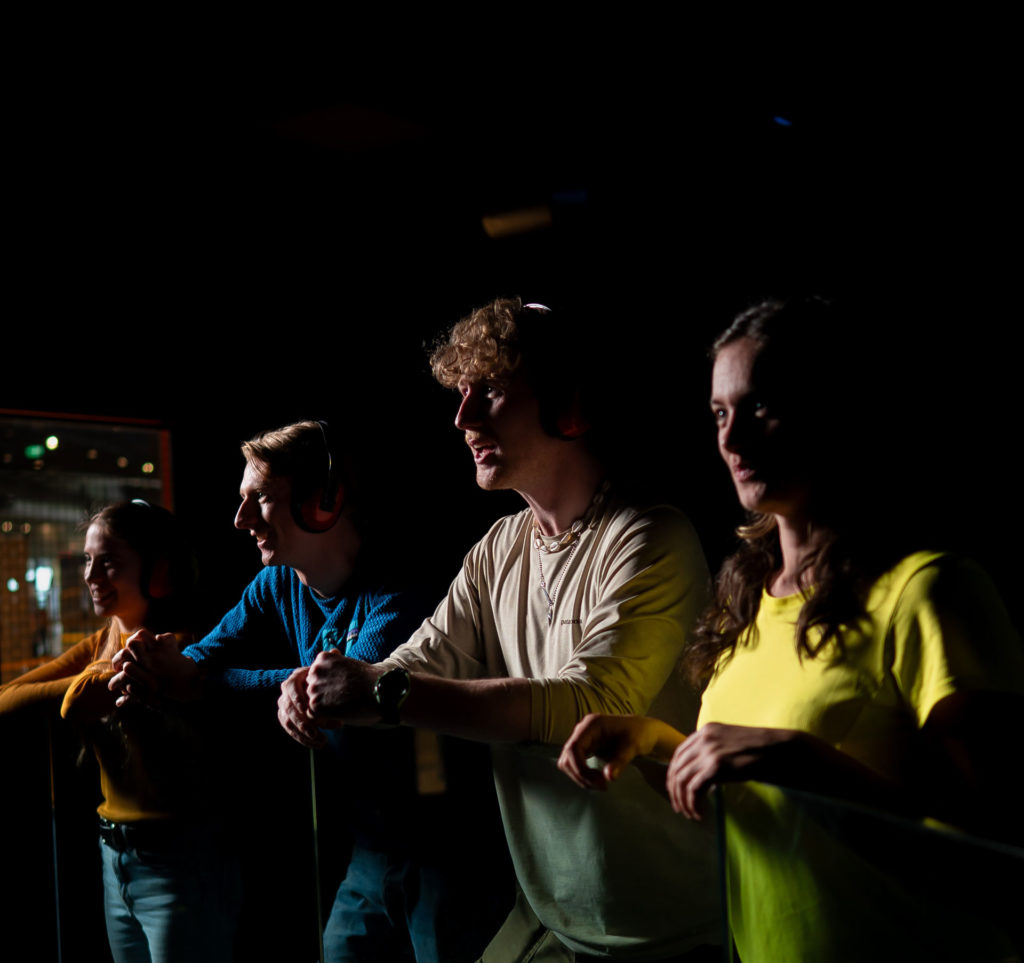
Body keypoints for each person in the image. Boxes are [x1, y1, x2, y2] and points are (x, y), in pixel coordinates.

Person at [558, 297, 1024, 962]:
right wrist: (653, 740)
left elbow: (997, 858)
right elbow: (756, 783)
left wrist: (800, 760)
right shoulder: (750, 601)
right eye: (720, 413)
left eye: (758, 406)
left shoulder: (929, 591)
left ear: (830, 409)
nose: (731, 436)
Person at [278, 299, 721, 962]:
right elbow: (418, 660)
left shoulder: (651, 534)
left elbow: (589, 705)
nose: (462, 418)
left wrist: (378, 694)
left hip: (663, 932)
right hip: (548, 917)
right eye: (461, 395)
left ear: (566, 405)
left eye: (490, 391)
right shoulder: (499, 546)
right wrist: (320, 688)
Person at [111, 420, 513, 963]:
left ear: (324, 500)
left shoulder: (401, 585)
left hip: (447, 851)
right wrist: (153, 666)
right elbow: (205, 658)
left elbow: (343, 690)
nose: (240, 519)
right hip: (370, 849)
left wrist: (198, 680)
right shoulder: (277, 583)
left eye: (260, 499)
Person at [0, 500, 240, 963]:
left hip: (183, 864)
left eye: (108, 562)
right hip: (116, 860)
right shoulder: (105, 643)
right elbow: (8, 699)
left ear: (159, 573)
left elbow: (69, 706)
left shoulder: (183, 649)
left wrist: (97, 677)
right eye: (89, 560)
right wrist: (105, 669)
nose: (90, 576)